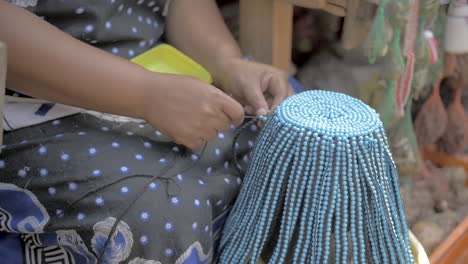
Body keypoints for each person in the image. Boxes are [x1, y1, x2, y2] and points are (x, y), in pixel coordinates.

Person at [0, 0, 293, 263]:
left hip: (168, 73)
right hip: (31, 104)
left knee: (292, 142)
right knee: (157, 211)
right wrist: (144, 94)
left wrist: (226, 63)